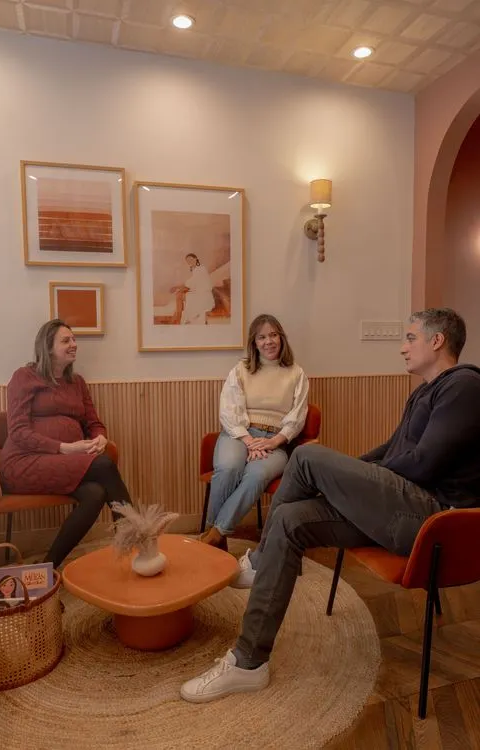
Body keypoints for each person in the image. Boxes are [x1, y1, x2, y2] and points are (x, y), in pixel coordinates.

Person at [181, 308, 480, 703]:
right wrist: (351, 477)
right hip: (398, 506)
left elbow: (425, 463)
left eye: (410, 338)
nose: (403, 347)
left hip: (432, 520)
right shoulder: (425, 391)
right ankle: (248, 662)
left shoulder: (464, 385)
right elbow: (391, 450)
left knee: (307, 456)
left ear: (437, 340)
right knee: (289, 519)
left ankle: (260, 560)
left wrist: (353, 478)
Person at [0, 319, 132, 569]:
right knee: (104, 466)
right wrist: (65, 448)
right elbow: (18, 432)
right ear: (48, 347)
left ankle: (47, 568)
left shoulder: (77, 382)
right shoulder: (24, 377)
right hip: (24, 463)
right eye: (66, 340)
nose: (74, 344)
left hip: (64, 463)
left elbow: (94, 423)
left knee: (95, 493)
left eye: (74, 339)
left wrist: (100, 437)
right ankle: (134, 541)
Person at [200, 313, 309, 551]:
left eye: (273, 335)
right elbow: (229, 409)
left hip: (276, 442)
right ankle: (214, 534)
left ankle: (214, 535)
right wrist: (249, 441)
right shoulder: (241, 369)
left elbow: (298, 416)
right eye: (262, 337)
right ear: (254, 342)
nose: (268, 341)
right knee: (229, 468)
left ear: (281, 338)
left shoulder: (297, 373)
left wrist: (273, 442)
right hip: (239, 434)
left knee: (256, 475)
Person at [178, 253, 215, 325]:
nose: (190, 262)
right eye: (188, 261)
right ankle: (185, 319)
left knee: (187, 297)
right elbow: (194, 282)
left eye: (191, 259)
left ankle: (189, 320)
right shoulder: (195, 269)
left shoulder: (201, 268)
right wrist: (184, 287)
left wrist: (183, 286)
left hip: (204, 293)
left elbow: (194, 281)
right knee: (184, 295)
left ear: (196, 259)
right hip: (199, 291)